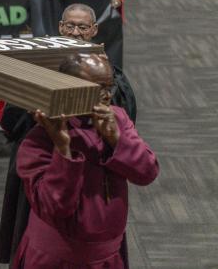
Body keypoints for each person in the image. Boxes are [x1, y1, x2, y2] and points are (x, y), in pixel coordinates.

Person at [0, 3, 137, 264]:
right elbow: (10, 120)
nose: (75, 32)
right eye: (70, 26)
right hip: (46, 161)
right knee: (41, 219)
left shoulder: (108, 74)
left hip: (96, 168)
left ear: (93, 30)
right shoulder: (34, 70)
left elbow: (128, 121)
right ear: (60, 27)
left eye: (82, 27)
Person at [10, 53, 158, 268]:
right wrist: (63, 149)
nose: (106, 97)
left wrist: (116, 139)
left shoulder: (117, 118)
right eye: (96, 90)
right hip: (57, 260)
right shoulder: (41, 137)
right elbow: (55, 207)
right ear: (69, 88)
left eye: (109, 88)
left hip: (109, 256)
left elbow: (147, 173)